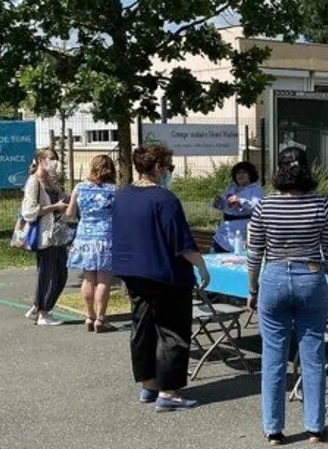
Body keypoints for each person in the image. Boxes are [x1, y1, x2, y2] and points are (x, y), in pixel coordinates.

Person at [247, 147, 328, 445]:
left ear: (280, 170)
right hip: (311, 278)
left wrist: (253, 288)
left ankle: (273, 430)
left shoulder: (265, 205)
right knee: (312, 355)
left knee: (273, 358)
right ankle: (315, 427)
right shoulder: (321, 204)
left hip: (273, 278)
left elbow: (255, 251)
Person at [112, 143, 211, 412]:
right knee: (173, 332)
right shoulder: (165, 199)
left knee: (142, 329)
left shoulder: (122, 196)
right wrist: (201, 266)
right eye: (169, 167)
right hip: (166, 274)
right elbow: (181, 241)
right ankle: (169, 392)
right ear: (157, 167)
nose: (169, 172)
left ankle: (149, 384)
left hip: (132, 271)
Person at [65, 154, 118, 333]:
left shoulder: (80, 187)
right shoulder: (114, 190)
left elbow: (70, 213)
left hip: (84, 236)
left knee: (88, 277)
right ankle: (101, 319)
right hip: (105, 235)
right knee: (104, 279)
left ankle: (89, 315)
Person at [21, 148, 70, 326]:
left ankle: (38, 305)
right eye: (50, 159)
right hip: (45, 234)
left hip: (58, 233)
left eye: (55, 159)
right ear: (40, 161)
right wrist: (54, 207)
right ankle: (43, 312)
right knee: (49, 273)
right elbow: (29, 212)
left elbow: (62, 199)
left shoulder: (51, 181)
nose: (54, 162)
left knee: (62, 273)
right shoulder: (34, 182)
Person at [211, 161, 264, 253]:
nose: (240, 175)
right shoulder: (232, 187)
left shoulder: (256, 189)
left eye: (244, 172)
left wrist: (240, 200)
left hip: (240, 232)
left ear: (250, 174)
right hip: (222, 234)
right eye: (238, 173)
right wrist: (218, 203)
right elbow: (225, 205)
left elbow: (257, 206)